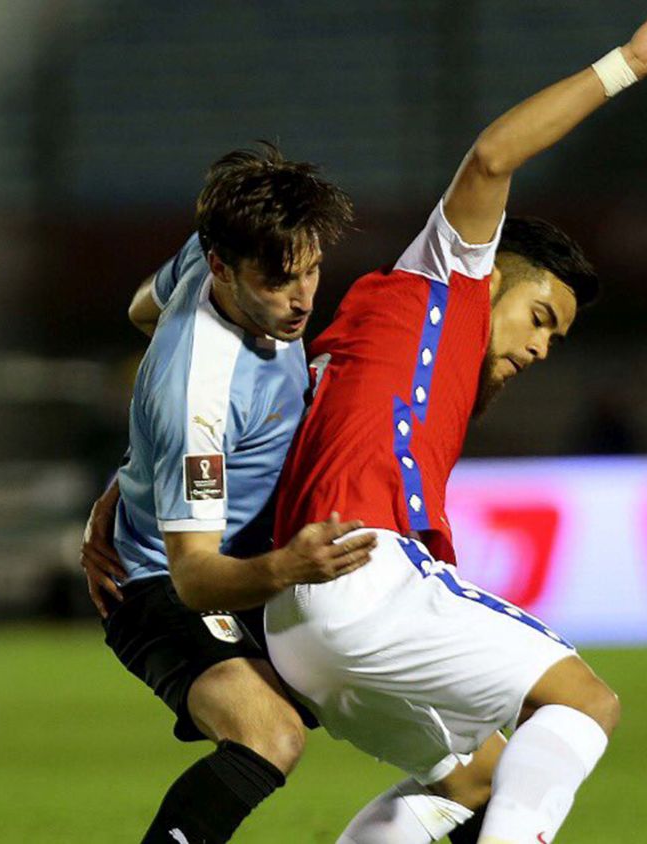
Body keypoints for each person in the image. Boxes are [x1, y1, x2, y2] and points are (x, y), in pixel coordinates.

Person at [264, 14, 647, 844]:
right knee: (585, 701)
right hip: (364, 579)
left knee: (474, 779)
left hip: (295, 621)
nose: (542, 347)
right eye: (541, 316)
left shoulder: (376, 348)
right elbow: (492, 158)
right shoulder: (443, 283)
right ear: (491, 272)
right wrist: (628, 64)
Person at [80, 144, 502, 844]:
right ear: (223, 267)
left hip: (266, 564)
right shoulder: (200, 400)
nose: (304, 298)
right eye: (280, 282)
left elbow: (138, 309)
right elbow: (193, 576)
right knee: (266, 734)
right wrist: (289, 565)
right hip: (167, 583)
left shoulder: (210, 256)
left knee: (479, 769)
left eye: (311, 270)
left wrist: (141, 469)